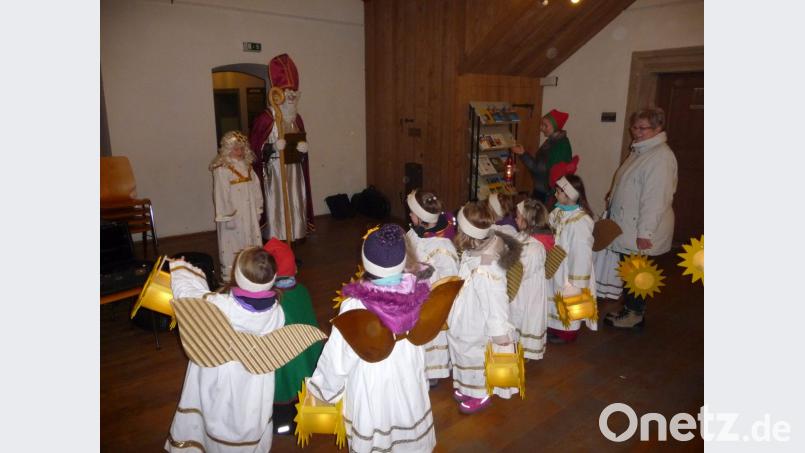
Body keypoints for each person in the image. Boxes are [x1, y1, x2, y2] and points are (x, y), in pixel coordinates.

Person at [306, 224, 436, 452]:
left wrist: (322, 392)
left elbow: (338, 358)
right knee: (408, 417)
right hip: (407, 373)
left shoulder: (355, 308)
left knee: (376, 425)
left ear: (366, 263)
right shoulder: (417, 293)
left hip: (372, 381)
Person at [165, 247, 284, 452]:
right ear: (272, 278)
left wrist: (180, 268)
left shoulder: (220, 306)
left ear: (236, 274)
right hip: (254, 382)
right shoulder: (277, 313)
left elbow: (189, 297)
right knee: (248, 414)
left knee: (215, 412)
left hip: (217, 376)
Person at [604, 107, 678, 328]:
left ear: (658, 128)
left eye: (642, 128)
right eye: (634, 127)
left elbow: (656, 199)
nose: (637, 132)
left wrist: (645, 232)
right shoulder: (641, 151)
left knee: (637, 273)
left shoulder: (660, 157)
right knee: (630, 271)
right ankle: (630, 309)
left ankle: (635, 315)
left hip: (641, 227)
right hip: (629, 223)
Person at [448, 202, 521, 414]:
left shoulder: (487, 268)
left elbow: (495, 302)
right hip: (468, 310)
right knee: (463, 350)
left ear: (466, 234)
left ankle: (481, 391)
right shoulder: (476, 249)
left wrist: (500, 334)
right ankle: (468, 385)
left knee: (475, 354)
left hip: (478, 322)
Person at [248, 53, 314, 241]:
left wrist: (303, 150)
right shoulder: (265, 119)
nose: (291, 95)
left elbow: (300, 144)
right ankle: (277, 239)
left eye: (294, 91)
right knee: (277, 205)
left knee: (295, 201)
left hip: (295, 172)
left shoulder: (297, 118)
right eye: (287, 91)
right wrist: (272, 148)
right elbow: (253, 151)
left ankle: (294, 236)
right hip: (274, 173)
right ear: (277, 93)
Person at [263, 237, 323, 435]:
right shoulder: (302, 291)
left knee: (284, 393)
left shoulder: (272, 303)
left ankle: (283, 427)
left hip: (284, 365)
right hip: (309, 360)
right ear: (294, 269)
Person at [405, 189, 460, 387]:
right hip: (412, 295)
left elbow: (449, 282)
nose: (409, 215)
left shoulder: (443, 247)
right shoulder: (414, 233)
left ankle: (433, 369)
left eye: (412, 213)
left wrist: (422, 276)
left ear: (421, 218)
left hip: (432, 301)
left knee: (431, 335)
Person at [546, 170, 598, 344]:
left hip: (571, 267)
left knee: (570, 296)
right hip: (557, 263)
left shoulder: (580, 221)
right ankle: (554, 326)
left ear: (568, 194)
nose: (555, 194)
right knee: (555, 294)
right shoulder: (558, 212)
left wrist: (577, 280)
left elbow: (582, 251)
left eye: (559, 191)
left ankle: (568, 332)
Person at [210, 131, 264, 280]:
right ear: (228, 149)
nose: (239, 152)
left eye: (241, 148)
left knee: (250, 239)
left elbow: (256, 188)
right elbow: (221, 193)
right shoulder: (222, 168)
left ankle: (251, 269)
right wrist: (227, 216)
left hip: (249, 213)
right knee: (233, 242)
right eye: (235, 149)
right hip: (234, 214)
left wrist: (258, 208)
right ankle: (231, 273)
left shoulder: (247, 167)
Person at [511, 199, 550, 360]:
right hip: (519, 289)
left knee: (525, 319)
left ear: (527, 221)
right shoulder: (521, 237)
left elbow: (523, 271)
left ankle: (525, 350)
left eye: (518, 216)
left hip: (527, 292)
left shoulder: (534, 248)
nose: (515, 219)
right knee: (516, 316)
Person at [511, 108, 572, 209]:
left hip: (548, 194)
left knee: (537, 217)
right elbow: (541, 164)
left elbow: (539, 169)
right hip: (544, 190)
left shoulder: (560, 146)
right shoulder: (554, 141)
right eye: (541, 124)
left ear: (555, 126)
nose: (541, 128)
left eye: (545, 125)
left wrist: (523, 154)